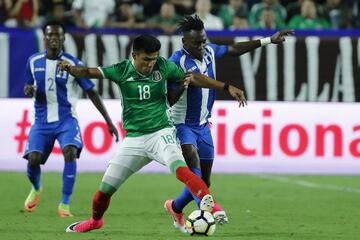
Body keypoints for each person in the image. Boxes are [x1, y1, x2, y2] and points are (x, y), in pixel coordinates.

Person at [57, 34, 247, 233]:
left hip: (161, 133)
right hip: (133, 140)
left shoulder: (164, 66)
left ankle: (212, 205)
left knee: (182, 170)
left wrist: (226, 86)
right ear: (134, 55)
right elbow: (88, 71)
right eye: (146, 60)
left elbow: (192, 77)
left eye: (154, 59)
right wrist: (71, 69)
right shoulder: (121, 70)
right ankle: (95, 221)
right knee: (103, 192)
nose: (150, 64)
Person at [164, 14, 294, 231]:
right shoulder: (176, 61)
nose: (202, 45)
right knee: (193, 167)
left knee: (204, 182)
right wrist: (227, 87)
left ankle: (175, 207)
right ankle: (213, 208)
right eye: (197, 42)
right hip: (181, 125)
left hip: (203, 125)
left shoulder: (209, 51)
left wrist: (267, 40)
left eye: (204, 40)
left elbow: (233, 49)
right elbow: (196, 79)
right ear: (185, 42)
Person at [23, 21, 119, 218]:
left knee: (70, 152)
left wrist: (108, 121)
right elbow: (28, 86)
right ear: (44, 38)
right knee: (33, 160)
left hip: (66, 120)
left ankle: (64, 204)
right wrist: (29, 90)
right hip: (41, 121)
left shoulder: (74, 64)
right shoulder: (33, 61)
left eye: (58, 35)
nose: (54, 39)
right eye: (50, 35)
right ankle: (37, 187)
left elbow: (91, 92)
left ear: (64, 38)